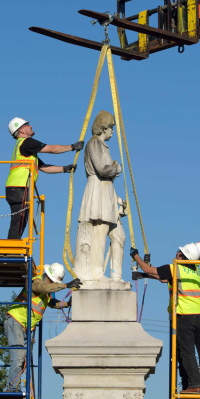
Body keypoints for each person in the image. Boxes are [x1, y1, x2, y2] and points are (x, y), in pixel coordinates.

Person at [130, 242, 200, 393]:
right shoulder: (195, 270)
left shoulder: (174, 267)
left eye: (179, 252)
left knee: (187, 352)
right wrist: (144, 276)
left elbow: (148, 268)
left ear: (182, 256)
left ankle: (195, 385)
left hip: (185, 316)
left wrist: (135, 255)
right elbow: (164, 278)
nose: (176, 253)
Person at [4, 262, 82, 391]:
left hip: (24, 327)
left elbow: (52, 302)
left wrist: (67, 304)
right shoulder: (35, 282)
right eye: (53, 281)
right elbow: (44, 288)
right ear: (48, 277)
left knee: (22, 360)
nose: (53, 284)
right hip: (16, 321)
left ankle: (13, 386)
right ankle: (12, 388)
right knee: (18, 358)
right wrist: (66, 285)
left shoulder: (45, 292)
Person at [5, 117, 84, 239]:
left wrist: (64, 169)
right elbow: (51, 149)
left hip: (16, 188)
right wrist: (72, 147)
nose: (30, 126)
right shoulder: (26, 142)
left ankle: (12, 248)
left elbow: (43, 167)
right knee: (19, 219)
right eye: (27, 125)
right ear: (21, 130)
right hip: (19, 187)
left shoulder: (27, 150)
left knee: (21, 219)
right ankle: (11, 249)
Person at [75, 110, 126, 281]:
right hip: (97, 191)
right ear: (104, 128)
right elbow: (103, 170)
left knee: (119, 236)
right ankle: (97, 273)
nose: (112, 131)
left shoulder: (102, 145)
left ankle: (116, 276)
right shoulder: (94, 144)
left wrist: (118, 201)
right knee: (99, 234)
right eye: (111, 127)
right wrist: (116, 168)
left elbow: (107, 180)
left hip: (106, 192)